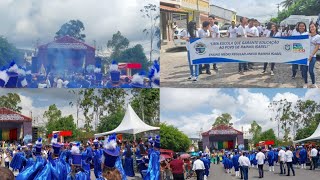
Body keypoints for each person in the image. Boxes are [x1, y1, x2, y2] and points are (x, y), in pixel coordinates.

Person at [307, 22, 320, 88]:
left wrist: (311, 56)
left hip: (313, 56)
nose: (311, 28)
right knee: (304, 70)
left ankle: (313, 83)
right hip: (305, 55)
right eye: (310, 27)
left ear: (316, 27)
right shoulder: (307, 35)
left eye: (313, 26)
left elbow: (317, 47)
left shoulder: (318, 37)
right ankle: (305, 83)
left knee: (311, 70)